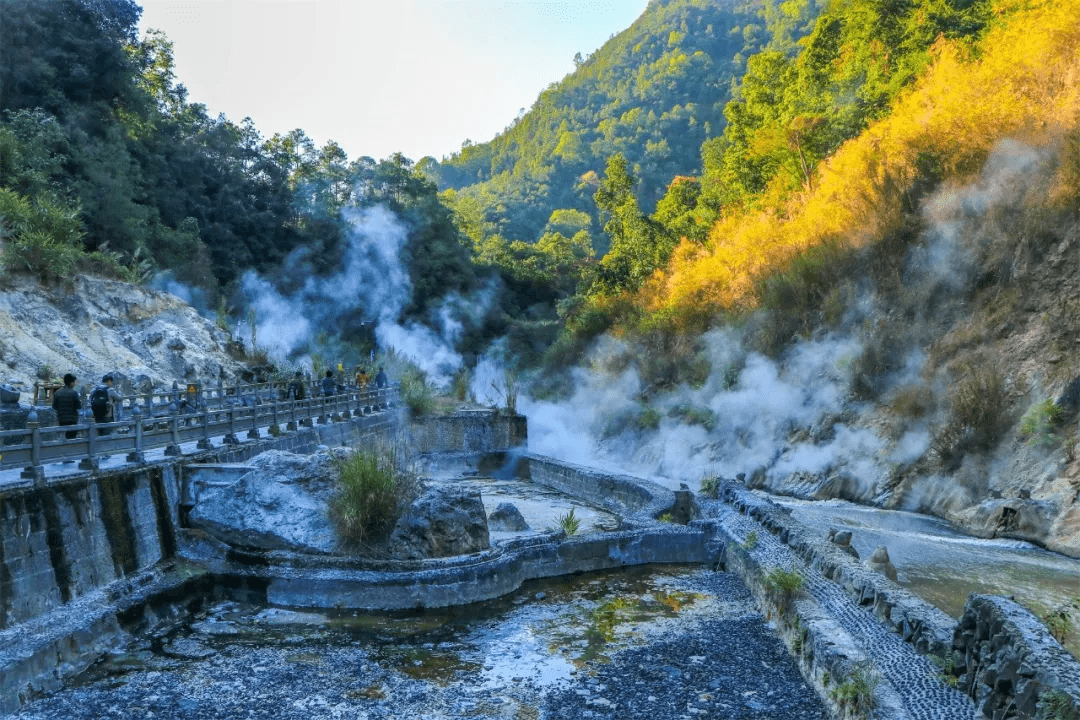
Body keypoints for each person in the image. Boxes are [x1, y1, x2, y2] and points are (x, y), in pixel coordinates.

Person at [52, 373, 81, 440]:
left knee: (62, 439)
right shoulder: (74, 393)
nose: (74, 384)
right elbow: (79, 406)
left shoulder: (57, 393)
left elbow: (54, 407)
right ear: (71, 382)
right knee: (71, 439)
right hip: (72, 420)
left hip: (61, 420)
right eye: (74, 382)